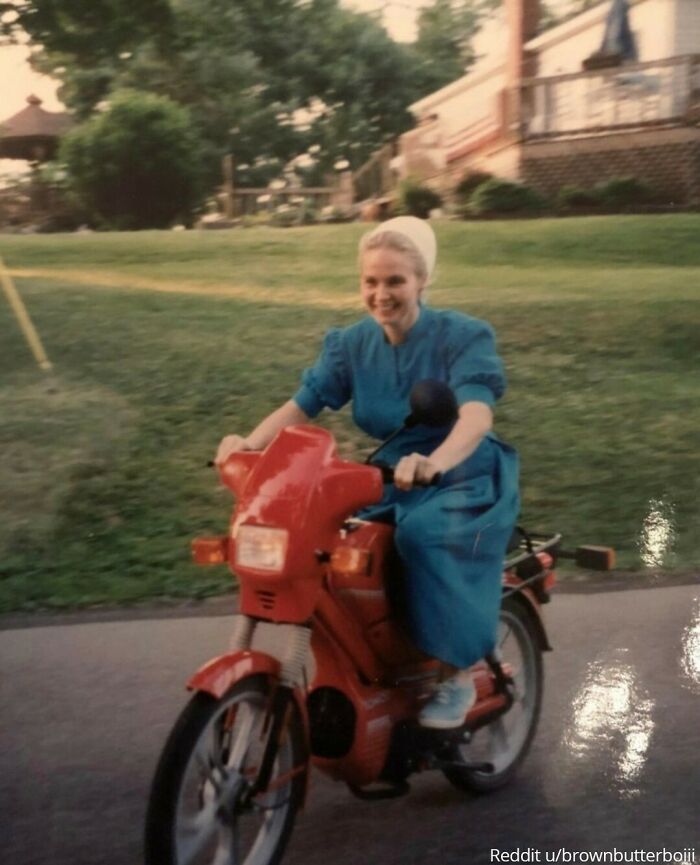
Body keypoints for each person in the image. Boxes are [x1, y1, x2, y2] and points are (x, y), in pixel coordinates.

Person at [215, 216, 519, 729]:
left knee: (421, 537)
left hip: (464, 473)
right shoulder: (351, 345)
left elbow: (476, 415)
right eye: (371, 281)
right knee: (328, 544)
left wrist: (435, 461)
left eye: (396, 280)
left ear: (422, 281)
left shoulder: (461, 336)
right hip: (391, 477)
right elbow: (302, 404)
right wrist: (248, 444)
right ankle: (381, 664)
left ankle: (454, 674)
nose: (382, 293)